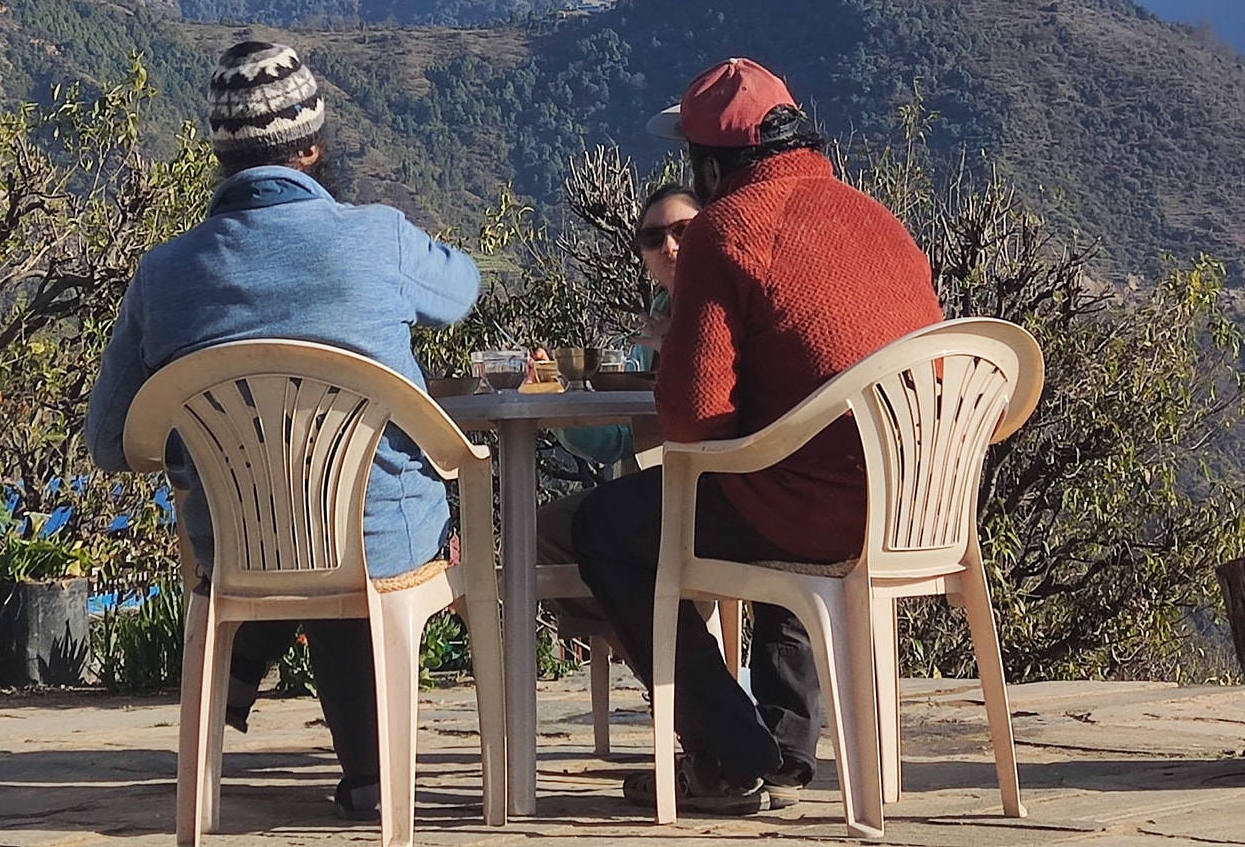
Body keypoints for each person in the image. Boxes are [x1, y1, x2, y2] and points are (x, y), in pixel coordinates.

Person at [84, 40, 481, 822]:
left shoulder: (163, 273)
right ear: (312, 147)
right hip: (382, 538)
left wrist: (216, 451)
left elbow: (107, 440)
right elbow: (463, 289)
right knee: (348, 516)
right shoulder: (380, 238)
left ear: (222, 157)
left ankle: (248, 685)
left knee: (288, 517)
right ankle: (375, 777)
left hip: (235, 545)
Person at [571, 58, 945, 815]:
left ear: (711, 167)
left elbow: (693, 418)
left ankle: (729, 751)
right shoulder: (878, 218)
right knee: (779, 471)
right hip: (918, 503)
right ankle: (782, 750)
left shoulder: (726, 229)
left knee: (602, 528)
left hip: (815, 511)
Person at [533, 183, 700, 617]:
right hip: (667, 489)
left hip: (717, 491)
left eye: (683, 230)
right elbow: (617, 439)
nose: (668, 245)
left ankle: (681, 669)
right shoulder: (659, 315)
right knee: (544, 530)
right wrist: (557, 397)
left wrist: (680, 347)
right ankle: (664, 666)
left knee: (564, 530)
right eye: (653, 237)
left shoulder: (720, 307)